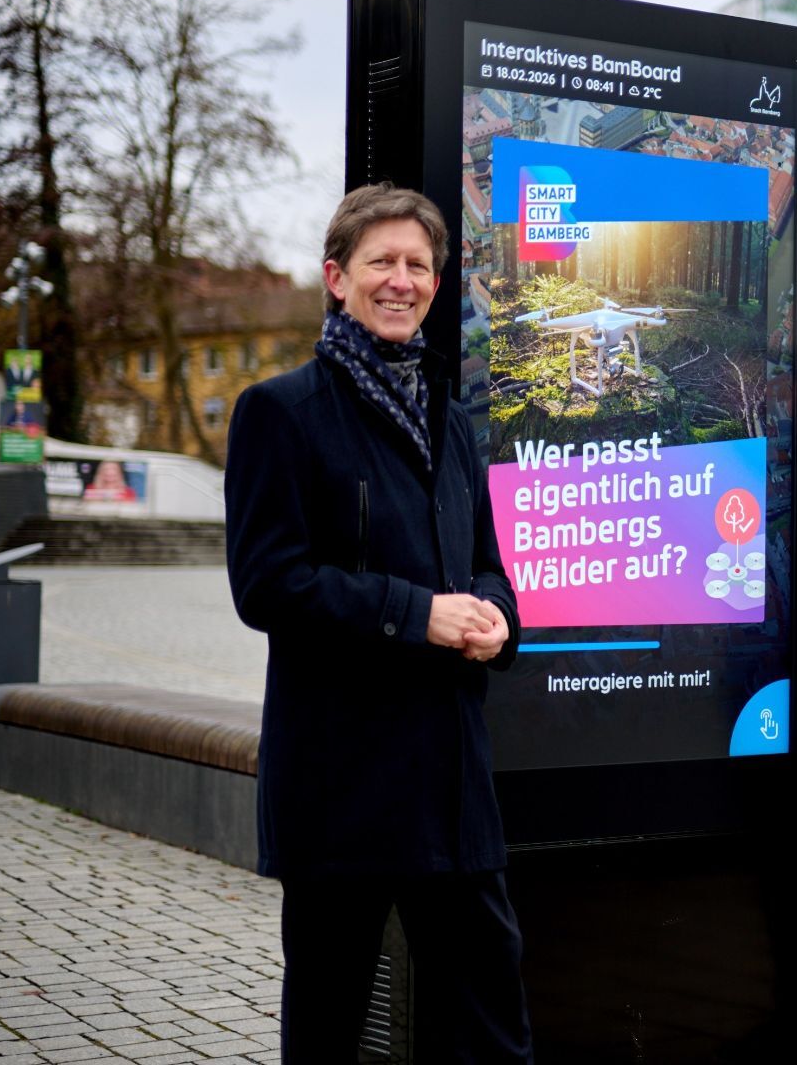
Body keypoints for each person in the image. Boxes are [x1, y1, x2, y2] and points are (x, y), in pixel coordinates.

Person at [224, 183, 533, 1062]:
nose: (402, 281)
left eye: (419, 265)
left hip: (451, 781)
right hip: (340, 785)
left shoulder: (455, 419)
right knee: (327, 1028)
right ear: (336, 277)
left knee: (492, 1029)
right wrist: (418, 616)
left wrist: (497, 623)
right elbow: (268, 585)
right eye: (381, 263)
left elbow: (487, 569)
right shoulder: (279, 413)